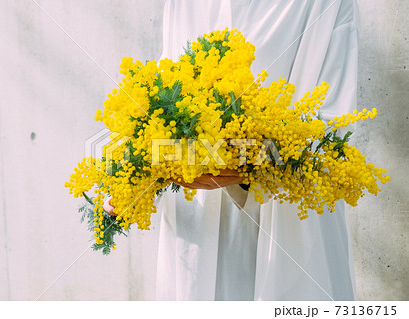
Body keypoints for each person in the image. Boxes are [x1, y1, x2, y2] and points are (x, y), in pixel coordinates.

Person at [106, 0, 359, 301]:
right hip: (193, 223)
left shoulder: (323, 4)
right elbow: (160, 94)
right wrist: (136, 170)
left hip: (287, 231)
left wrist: (244, 164)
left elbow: (331, 132)